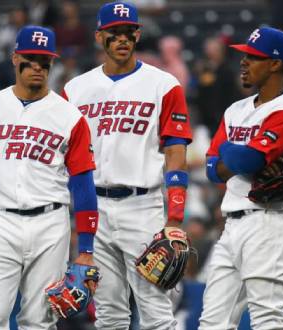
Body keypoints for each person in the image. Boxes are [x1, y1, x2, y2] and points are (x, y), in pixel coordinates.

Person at [0, 25, 99, 330]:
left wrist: (85, 251)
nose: (37, 67)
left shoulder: (70, 116)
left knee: (38, 322)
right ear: (15, 58)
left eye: (44, 61)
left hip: (50, 224)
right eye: (30, 59)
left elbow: (83, 184)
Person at [62, 2, 192, 329]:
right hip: (95, 208)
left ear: (137, 34)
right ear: (99, 37)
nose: (122, 39)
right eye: (113, 33)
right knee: (109, 313)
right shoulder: (75, 89)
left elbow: (176, 150)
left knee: (156, 311)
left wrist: (175, 216)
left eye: (128, 32)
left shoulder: (163, 84)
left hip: (142, 205)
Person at [200, 27, 283, 329]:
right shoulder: (235, 109)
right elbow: (212, 168)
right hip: (232, 224)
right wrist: (235, 156)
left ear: (275, 64)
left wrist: (231, 153)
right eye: (244, 56)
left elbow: (246, 159)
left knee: (267, 320)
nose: (244, 63)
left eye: (253, 57)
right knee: (212, 323)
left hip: (269, 223)